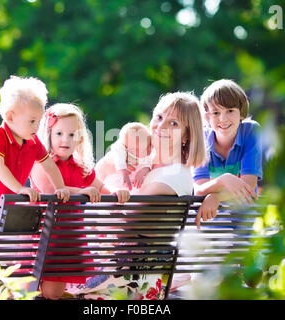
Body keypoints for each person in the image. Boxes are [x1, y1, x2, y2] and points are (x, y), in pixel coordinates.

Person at [66, 91, 207, 300]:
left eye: (174, 123)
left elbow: (125, 223)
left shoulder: (174, 174)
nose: (160, 126)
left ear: (187, 135)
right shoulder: (145, 164)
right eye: (159, 117)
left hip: (129, 279)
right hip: (120, 270)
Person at [0, 76, 70, 300]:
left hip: (3, 208)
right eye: (31, 121)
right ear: (10, 116)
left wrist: (61, 187)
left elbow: (48, 164)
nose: (36, 127)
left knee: (1, 251)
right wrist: (20, 187)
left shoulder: (33, 143)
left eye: (39, 122)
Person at [29, 102, 130, 299]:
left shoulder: (80, 167)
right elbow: (52, 190)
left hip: (68, 238)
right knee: (39, 290)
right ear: (48, 135)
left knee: (54, 293)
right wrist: (84, 191)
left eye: (71, 135)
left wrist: (117, 192)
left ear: (80, 139)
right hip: (46, 237)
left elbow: (101, 187)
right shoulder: (42, 164)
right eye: (59, 134)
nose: (65, 139)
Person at [193, 79, 262, 228]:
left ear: (241, 112)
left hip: (245, 222)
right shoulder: (201, 138)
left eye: (230, 111)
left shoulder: (251, 132)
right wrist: (223, 180)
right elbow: (198, 189)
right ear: (207, 117)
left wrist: (216, 196)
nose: (223, 119)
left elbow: (248, 188)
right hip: (212, 221)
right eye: (216, 112)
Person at [95, 122, 153, 191]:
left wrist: (146, 168)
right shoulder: (120, 148)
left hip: (132, 184)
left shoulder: (150, 148)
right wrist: (124, 173)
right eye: (138, 149)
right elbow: (119, 160)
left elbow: (151, 159)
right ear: (127, 147)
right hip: (112, 177)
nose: (148, 151)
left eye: (149, 145)